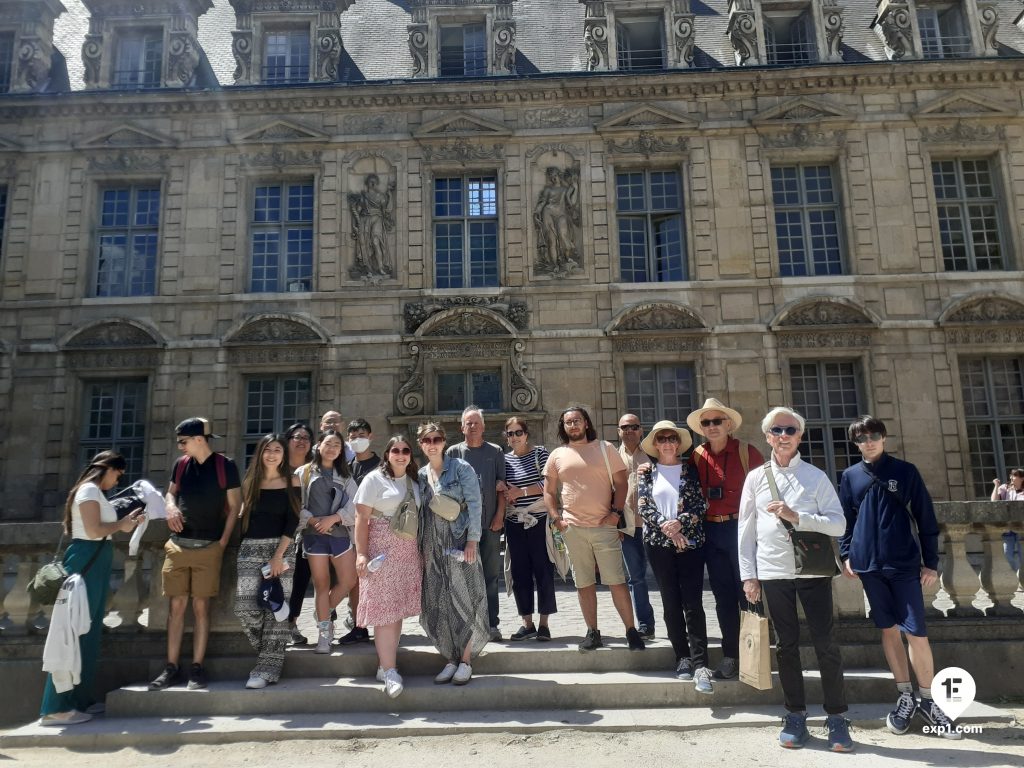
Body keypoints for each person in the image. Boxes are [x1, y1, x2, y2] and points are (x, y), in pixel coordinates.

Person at [838, 416, 959, 739]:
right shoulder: (850, 476)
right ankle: (905, 696)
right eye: (861, 438)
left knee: (916, 632)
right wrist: (846, 554)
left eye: (874, 436)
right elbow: (845, 520)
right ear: (855, 443)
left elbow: (925, 517)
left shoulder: (906, 471)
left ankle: (929, 700)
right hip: (868, 566)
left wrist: (930, 562)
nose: (868, 442)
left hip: (904, 564)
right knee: (888, 630)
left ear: (884, 438)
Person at [738, 407, 851, 751]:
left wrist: (796, 516)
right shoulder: (755, 478)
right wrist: (749, 576)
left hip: (813, 571)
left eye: (790, 430)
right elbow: (746, 529)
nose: (783, 436)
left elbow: (838, 525)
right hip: (773, 572)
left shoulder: (815, 477)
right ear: (768, 437)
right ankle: (795, 715)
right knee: (785, 646)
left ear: (800, 436)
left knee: (825, 643)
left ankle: (837, 717)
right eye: (777, 430)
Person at [40, 451, 142, 725]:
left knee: (88, 631)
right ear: (107, 468)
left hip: (94, 562)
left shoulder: (94, 492)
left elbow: (98, 529)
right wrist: (121, 525)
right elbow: (94, 530)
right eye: (118, 474)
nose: (118, 481)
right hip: (86, 561)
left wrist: (125, 523)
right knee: (72, 632)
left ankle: (78, 700)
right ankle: (55, 708)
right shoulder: (88, 490)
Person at [543, 406, 645, 652]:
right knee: (584, 583)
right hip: (573, 529)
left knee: (617, 581)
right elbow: (548, 491)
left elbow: (621, 483)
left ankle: (631, 631)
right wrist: (557, 519)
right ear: (563, 426)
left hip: (604, 527)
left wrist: (615, 514)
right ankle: (592, 632)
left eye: (577, 420)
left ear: (586, 423)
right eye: (568, 422)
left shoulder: (605, 448)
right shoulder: (557, 454)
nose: (573, 425)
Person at [150, 418, 241, 691]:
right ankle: (171, 667)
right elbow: (170, 493)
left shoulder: (225, 466)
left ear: (199, 439)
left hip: (209, 546)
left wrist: (222, 542)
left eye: (183, 441)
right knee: (176, 607)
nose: (180, 446)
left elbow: (235, 506)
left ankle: (197, 668)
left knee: (201, 608)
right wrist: (170, 507)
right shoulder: (181, 465)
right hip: (178, 545)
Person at [686, 397, 764, 680]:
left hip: (740, 529)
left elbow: (764, 493)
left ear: (728, 424)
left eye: (717, 421)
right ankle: (731, 655)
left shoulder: (747, 452)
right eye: (706, 422)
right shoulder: (697, 456)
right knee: (723, 597)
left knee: (749, 593)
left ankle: (755, 658)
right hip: (711, 531)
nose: (712, 426)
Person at [636, 421, 713, 694]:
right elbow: (644, 506)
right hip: (659, 544)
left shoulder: (691, 470)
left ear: (678, 443)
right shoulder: (646, 472)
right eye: (662, 438)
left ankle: (701, 663)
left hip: (690, 542)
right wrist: (668, 528)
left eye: (672, 438)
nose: (667, 442)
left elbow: (700, 504)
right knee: (670, 602)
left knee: (693, 603)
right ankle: (682, 657)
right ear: (655, 444)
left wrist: (679, 524)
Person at [418, 422, 491, 685]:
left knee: (464, 599)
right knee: (439, 600)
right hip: (432, 546)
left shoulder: (461, 468)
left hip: (459, 541)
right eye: (427, 440)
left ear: (444, 442)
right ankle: (450, 657)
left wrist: (472, 541)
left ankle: (466, 661)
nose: (433, 444)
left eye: (437, 439)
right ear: (421, 445)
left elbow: (475, 505)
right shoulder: (421, 475)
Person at [353, 436, 423, 698]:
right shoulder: (374, 479)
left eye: (405, 450)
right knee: (384, 611)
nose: (401, 454)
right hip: (381, 549)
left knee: (396, 610)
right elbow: (361, 518)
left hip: (407, 551)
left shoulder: (414, 481)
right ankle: (390, 671)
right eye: (395, 450)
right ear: (387, 454)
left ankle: (385, 665)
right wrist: (361, 554)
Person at [234, 434, 299, 688]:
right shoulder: (250, 481)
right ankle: (269, 651)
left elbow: (293, 520)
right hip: (250, 548)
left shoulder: (292, 480)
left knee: (276, 609)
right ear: (260, 453)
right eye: (267, 449)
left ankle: (266, 668)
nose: (272, 454)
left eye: (277, 450)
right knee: (245, 608)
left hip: (280, 549)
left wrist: (278, 556)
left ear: (283, 455)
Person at [446, 406, 506, 640]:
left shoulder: (495, 451)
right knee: (462, 577)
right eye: (468, 423)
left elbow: (502, 487)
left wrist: (499, 515)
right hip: (461, 528)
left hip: (489, 525)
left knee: (490, 576)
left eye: (476, 423)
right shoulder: (453, 453)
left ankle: (491, 624)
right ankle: (466, 625)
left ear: (483, 427)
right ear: (462, 427)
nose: (472, 427)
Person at [296, 431, 358, 653]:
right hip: (314, 536)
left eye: (337, 445)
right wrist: (313, 520)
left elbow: (356, 504)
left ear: (341, 450)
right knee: (321, 585)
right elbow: (295, 503)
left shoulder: (346, 475)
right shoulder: (303, 472)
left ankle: (323, 611)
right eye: (328, 443)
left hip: (340, 534)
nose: (332, 448)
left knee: (349, 580)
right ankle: (324, 633)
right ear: (319, 445)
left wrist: (334, 518)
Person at [501, 417, 555, 641]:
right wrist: (503, 490)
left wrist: (521, 492)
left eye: (518, 432)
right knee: (519, 573)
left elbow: (549, 484)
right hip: (514, 522)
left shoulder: (540, 454)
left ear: (526, 434)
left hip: (539, 520)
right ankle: (527, 624)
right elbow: (502, 485)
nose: (515, 437)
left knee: (543, 570)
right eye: (510, 433)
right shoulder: (504, 460)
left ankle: (544, 624)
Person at [335, 418, 381, 646]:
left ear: (370, 437)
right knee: (356, 580)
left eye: (361, 436)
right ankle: (359, 626)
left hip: (379, 528)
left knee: (381, 579)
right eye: (353, 437)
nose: (357, 440)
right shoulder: (346, 468)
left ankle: (384, 624)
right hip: (353, 529)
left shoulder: (382, 465)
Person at [616, 413, 657, 639]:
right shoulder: (612, 458)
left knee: (666, 577)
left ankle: (678, 625)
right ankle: (645, 624)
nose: (629, 430)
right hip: (628, 528)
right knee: (636, 577)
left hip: (655, 526)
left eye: (634, 426)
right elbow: (608, 492)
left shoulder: (654, 455)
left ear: (641, 430)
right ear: (619, 431)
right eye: (625, 427)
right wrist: (616, 525)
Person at [283, 422, 314, 646]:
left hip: (305, 532)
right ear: (288, 441)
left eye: (306, 438)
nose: (301, 441)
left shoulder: (314, 469)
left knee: (300, 579)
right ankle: (275, 625)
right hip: (279, 530)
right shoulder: (278, 467)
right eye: (297, 437)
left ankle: (291, 623)